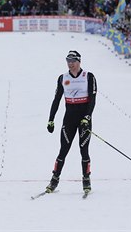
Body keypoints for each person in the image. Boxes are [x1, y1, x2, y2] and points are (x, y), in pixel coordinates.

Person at [46, 50, 97, 194]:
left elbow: (92, 100)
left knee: (84, 151)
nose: (70, 64)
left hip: (84, 120)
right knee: (63, 150)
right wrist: (51, 119)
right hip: (69, 119)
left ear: (79, 61)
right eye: (68, 61)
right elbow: (56, 100)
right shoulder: (63, 78)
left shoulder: (89, 76)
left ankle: (86, 181)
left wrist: (87, 117)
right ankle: (54, 180)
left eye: (73, 61)